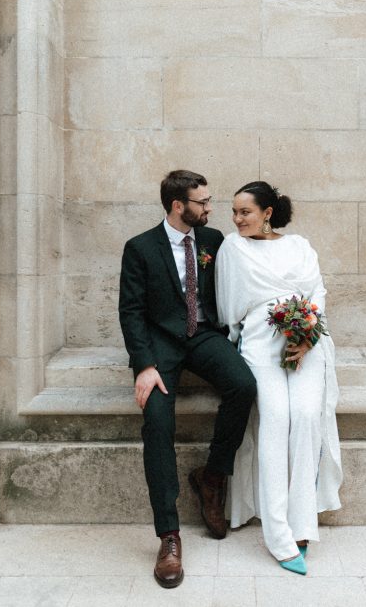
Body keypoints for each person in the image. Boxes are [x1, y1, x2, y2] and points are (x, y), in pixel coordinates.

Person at [118, 170, 257, 589]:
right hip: (161, 347)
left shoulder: (214, 241)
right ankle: (169, 536)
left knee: (244, 386)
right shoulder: (140, 248)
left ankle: (212, 477)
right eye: (203, 203)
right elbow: (130, 311)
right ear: (178, 206)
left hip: (205, 336)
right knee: (158, 420)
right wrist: (144, 365)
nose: (211, 209)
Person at [215, 181, 343, 576]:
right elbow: (228, 307)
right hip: (258, 342)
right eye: (234, 212)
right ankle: (278, 536)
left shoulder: (300, 246)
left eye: (245, 212)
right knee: (275, 420)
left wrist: (307, 336)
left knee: (306, 418)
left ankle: (302, 524)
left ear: (267, 212)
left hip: (306, 341)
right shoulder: (233, 248)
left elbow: (316, 292)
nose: (236, 219)